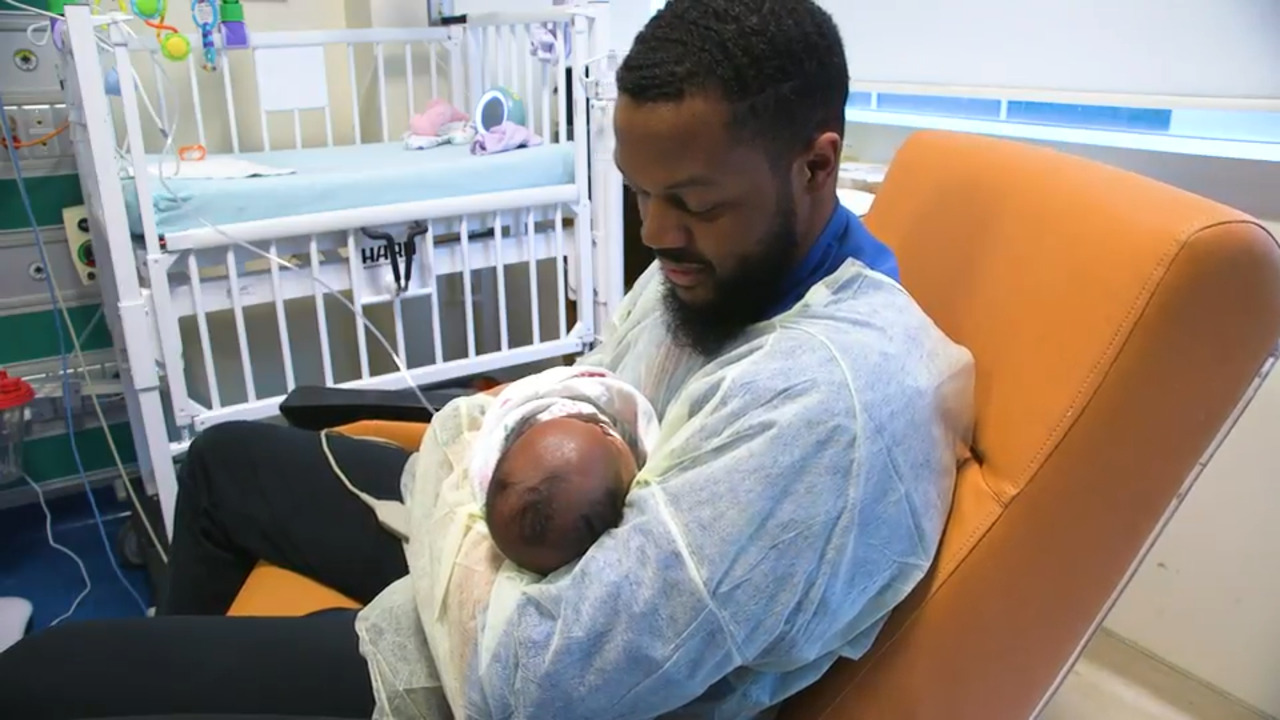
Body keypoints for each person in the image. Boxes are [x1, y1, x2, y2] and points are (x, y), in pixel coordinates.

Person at [0, 0, 975, 718]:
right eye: (638, 192)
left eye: (693, 202)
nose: (653, 232)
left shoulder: (823, 403)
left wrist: (451, 480)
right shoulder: (726, 262)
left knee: (41, 680)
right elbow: (587, 395)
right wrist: (481, 456)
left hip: (503, 669)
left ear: (814, 165)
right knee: (222, 463)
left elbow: (535, 682)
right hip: (525, 546)